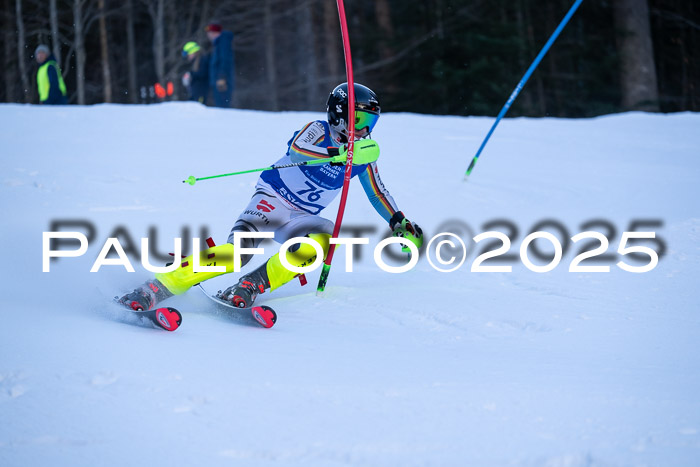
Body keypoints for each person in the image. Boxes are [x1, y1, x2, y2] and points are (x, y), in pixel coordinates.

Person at [118, 83, 423, 315]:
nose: (364, 130)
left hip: (301, 217)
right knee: (238, 253)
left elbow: (377, 191)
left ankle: (251, 285)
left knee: (325, 238)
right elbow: (298, 150)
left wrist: (399, 222)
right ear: (340, 114)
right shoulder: (318, 130)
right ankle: (156, 288)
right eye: (359, 120)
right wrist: (338, 154)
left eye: (370, 123)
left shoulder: (363, 155)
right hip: (273, 198)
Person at [205, 22, 234, 108]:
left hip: (221, 81)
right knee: (220, 105)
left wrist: (222, 77)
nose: (209, 35)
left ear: (216, 33)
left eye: (210, 33)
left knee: (222, 106)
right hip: (218, 80)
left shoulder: (223, 42)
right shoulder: (218, 43)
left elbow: (225, 60)